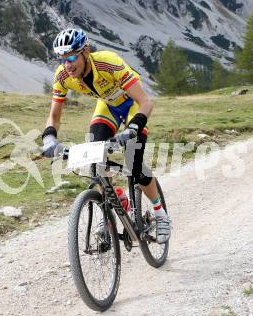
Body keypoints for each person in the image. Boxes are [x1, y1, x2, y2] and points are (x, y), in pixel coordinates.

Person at [42, 28, 171, 244]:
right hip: (108, 106)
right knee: (95, 159)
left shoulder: (108, 62)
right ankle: (113, 201)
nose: (68, 65)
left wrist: (132, 129)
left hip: (133, 104)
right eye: (62, 60)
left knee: (135, 164)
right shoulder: (63, 76)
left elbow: (146, 102)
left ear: (86, 51)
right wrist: (49, 138)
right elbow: (54, 115)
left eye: (72, 58)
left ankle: (160, 213)